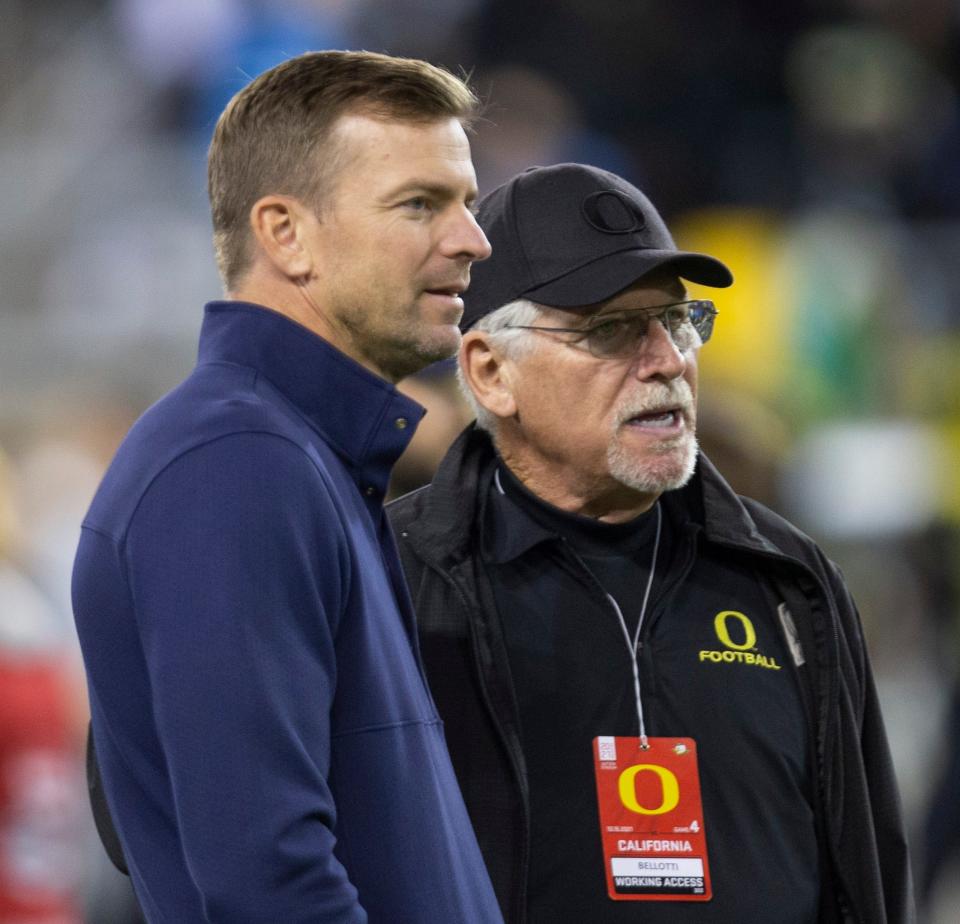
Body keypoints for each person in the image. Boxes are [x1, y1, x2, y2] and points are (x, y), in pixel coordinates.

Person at [388, 163, 915, 923]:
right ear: (492, 371)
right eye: (609, 329)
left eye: (675, 321)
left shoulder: (789, 580)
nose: (668, 359)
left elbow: (867, 870)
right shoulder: (392, 579)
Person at [72, 50, 502, 923]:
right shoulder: (236, 467)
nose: (472, 240)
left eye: (467, 202)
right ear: (285, 233)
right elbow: (267, 884)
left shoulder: (305, 457)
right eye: (420, 203)